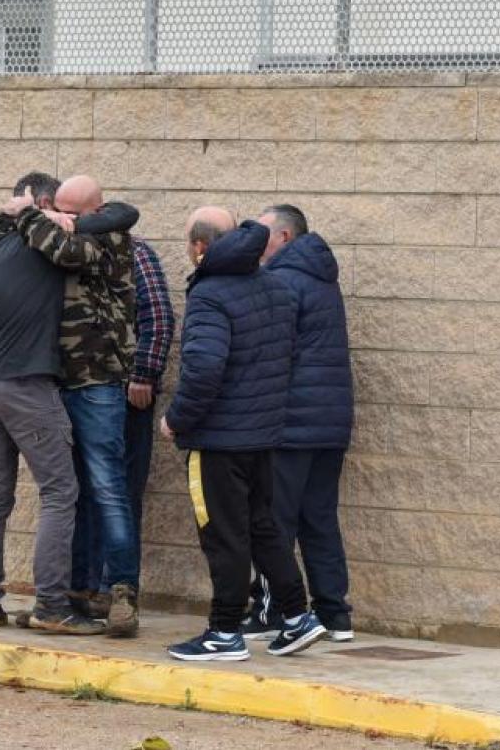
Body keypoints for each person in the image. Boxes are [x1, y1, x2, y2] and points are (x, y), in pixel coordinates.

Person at [160, 210, 326, 662]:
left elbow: (204, 369)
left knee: (223, 535)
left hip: (218, 439)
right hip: (263, 435)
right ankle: (296, 615)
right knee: (263, 528)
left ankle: (224, 631)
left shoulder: (210, 293)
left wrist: (176, 419)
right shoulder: (274, 286)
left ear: (199, 247)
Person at [1, 175, 141, 637]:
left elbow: (64, 250)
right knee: (69, 491)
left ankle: (122, 592)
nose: (62, 219)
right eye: (54, 209)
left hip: (97, 381)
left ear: (94, 211)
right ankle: (73, 595)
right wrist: (37, 217)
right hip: (54, 381)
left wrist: (28, 215)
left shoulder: (110, 237)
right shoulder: (56, 227)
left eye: (72, 212)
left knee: (106, 487)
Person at [0, 172, 102, 635]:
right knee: (61, 492)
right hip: (27, 383)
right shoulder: (43, 244)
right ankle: (50, 605)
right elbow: (94, 243)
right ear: (42, 203)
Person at [242, 205, 355, 643]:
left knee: (275, 521)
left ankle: (273, 612)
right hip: (329, 423)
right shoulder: (322, 279)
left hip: (291, 423)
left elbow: (271, 353)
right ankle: (334, 614)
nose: (256, 242)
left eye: (263, 234)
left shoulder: (283, 280)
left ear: (285, 237)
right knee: (319, 518)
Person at [72, 233, 175, 619]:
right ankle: (84, 588)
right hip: (79, 395)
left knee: (119, 492)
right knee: (81, 494)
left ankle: (115, 590)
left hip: (125, 396)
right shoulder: (63, 251)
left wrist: (144, 375)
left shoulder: (136, 253)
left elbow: (159, 317)